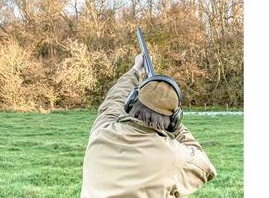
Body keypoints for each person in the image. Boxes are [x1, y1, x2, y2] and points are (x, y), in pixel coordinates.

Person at [81, 54, 216, 197]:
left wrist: (136, 70)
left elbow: (113, 102)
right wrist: (177, 126)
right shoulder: (174, 156)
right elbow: (205, 166)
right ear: (174, 119)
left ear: (131, 102)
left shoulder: (101, 132)